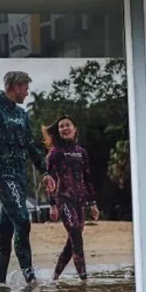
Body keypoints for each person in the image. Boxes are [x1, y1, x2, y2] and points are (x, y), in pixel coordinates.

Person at [0, 71, 54, 285]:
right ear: (16, 86)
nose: (27, 92)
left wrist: (45, 172)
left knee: (6, 230)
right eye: (25, 88)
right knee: (22, 220)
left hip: (20, 177)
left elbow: (30, 146)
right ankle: (30, 276)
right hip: (3, 175)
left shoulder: (22, 115)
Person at [42, 115, 100, 281]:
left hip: (80, 201)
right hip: (64, 199)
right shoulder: (55, 153)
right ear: (58, 131)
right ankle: (84, 280)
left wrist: (93, 204)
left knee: (72, 241)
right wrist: (52, 205)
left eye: (68, 125)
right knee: (75, 233)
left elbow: (87, 178)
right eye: (61, 127)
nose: (64, 129)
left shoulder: (82, 152)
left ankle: (55, 276)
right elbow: (50, 181)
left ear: (75, 129)